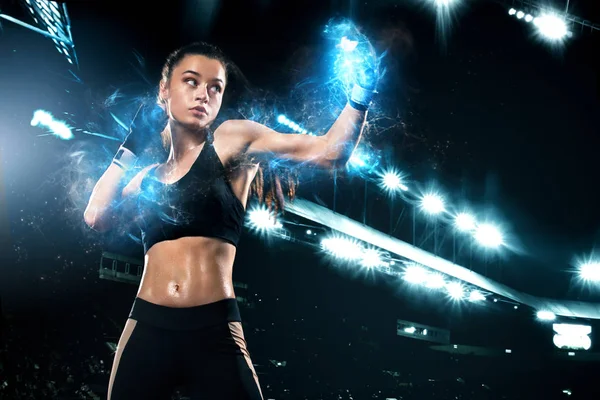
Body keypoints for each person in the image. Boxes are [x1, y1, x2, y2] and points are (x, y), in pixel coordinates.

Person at [84, 39, 378, 399]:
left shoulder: (230, 139)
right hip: (147, 325)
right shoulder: (146, 178)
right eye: (191, 81)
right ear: (164, 90)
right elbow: (97, 216)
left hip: (213, 328)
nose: (203, 95)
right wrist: (129, 147)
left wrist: (362, 94)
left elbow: (331, 154)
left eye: (215, 87)